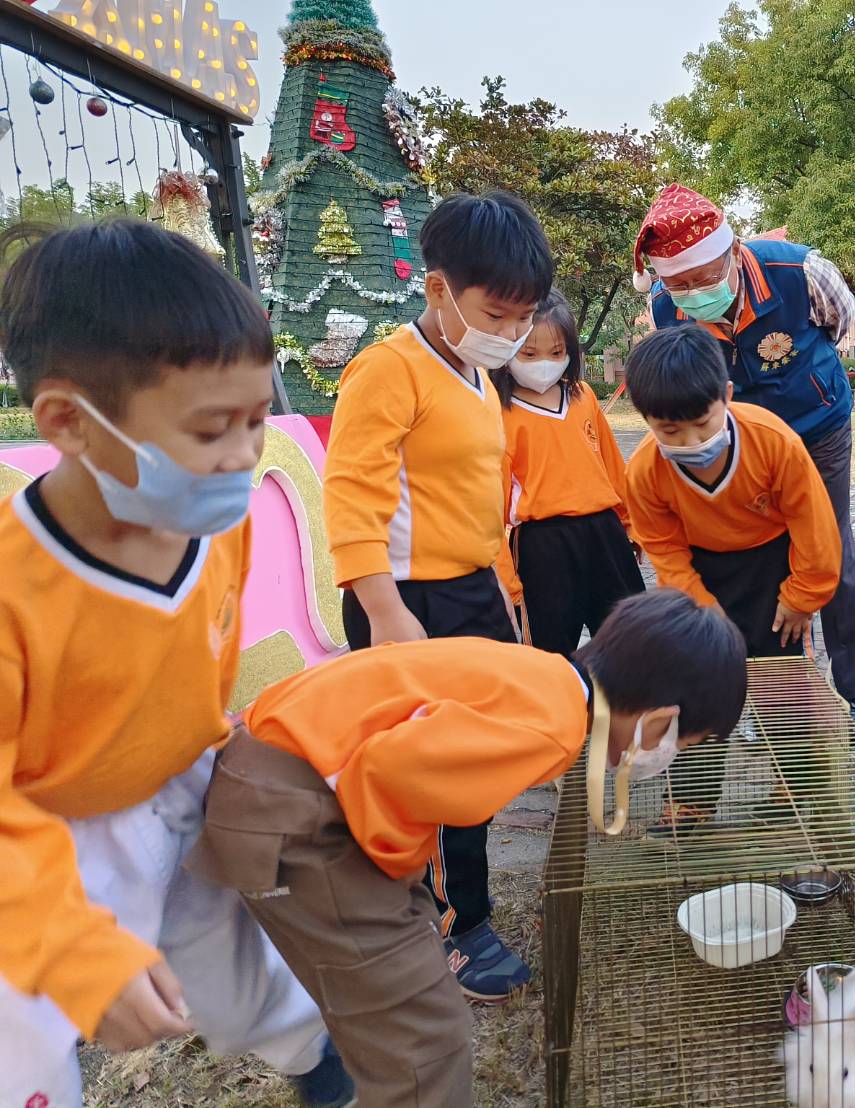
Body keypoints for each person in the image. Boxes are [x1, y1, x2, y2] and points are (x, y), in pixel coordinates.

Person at [0, 221, 349, 1107]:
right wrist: (76, 949)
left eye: (258, 419)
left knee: (246, 969)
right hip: (50, 834)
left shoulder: (212, 523)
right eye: (208, 430)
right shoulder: (13, 591)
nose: (244, 455)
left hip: (184, 786)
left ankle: (315, 1063)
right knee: (21, 1038)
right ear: (69, 423)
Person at [188, 589, 748, 1108]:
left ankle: (337, 1076)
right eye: (686, 741)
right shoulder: (553, 727)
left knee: (399, 980)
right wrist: (398, 885)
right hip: (289, 809)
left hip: (272, 770)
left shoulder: (544, 673)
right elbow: (385, 774)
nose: (673, 752)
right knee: (423, 1029)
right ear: (662, 720)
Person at [323, 190, 554, 998]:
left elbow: (478, 502)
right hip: (408, 602)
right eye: (497, 312)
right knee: (435, 770)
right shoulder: (387, 370)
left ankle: (455, 905)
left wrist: (506, 598)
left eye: (523, 318)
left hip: (472, 590)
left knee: (476, 762)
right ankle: (456, 929)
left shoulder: (475, 376)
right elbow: (350, 497)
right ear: (436, 289)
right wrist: (386, 614)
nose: (512, 333)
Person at [633, 183, 855, 736]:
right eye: (680, 284)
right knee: (765, 564)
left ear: (733, 250)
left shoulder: (800, 272)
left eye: (703, 278)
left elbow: (839, 325)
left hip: (815, 429)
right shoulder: (666, 305)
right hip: (725, 439)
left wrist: (799, 384)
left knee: (830, 549)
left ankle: (849, 694)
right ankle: (757, 686)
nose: (692, 293)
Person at [623, 324, 841, 834]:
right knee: (697, 683)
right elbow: (666, 551)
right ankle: (692, 801)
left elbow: (815, 527)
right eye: (669, 432)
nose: (691, 442)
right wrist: (700, 606)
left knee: (781, 681)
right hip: (701, 571)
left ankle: (797, 785)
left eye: (701, 424)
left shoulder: (773, 441)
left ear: (725, 395)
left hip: (772, 567)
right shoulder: (645, 471)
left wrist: (801, 597)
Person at [494, 289, 644, 654]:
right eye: (529, 353)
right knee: (550, 655)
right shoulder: (497, 412)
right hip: (542, 547)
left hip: (605, 535)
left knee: (635, 644)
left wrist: (631, 527)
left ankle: (627, 712)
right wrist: (504, 577)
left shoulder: (582, 396)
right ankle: (567, 712)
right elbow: (489, 505)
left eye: (556, 352)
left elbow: (613, 468)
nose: (543, 362)